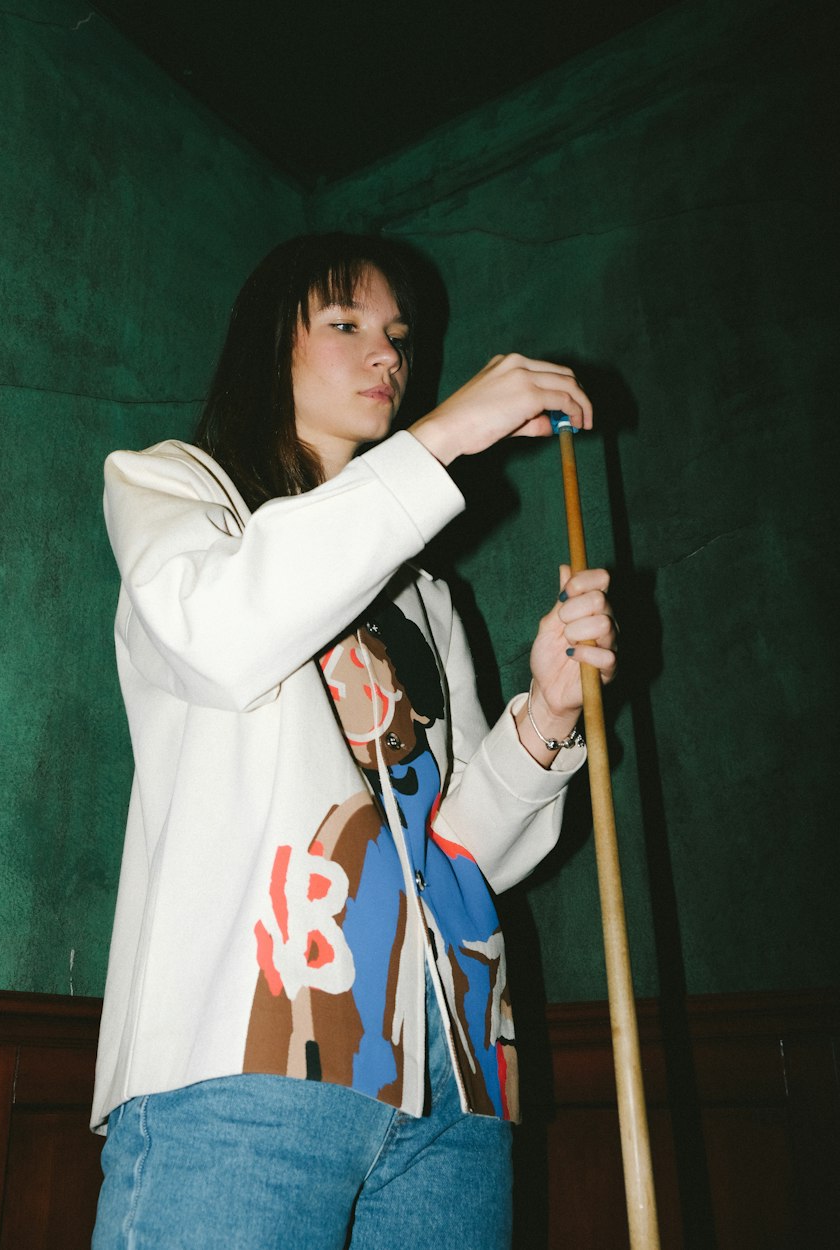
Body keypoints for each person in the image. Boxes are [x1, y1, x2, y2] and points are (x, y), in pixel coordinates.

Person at [91, 233, 617, 1249]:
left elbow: (467, 851)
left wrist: (547, 717)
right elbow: (224, 631)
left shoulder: (423, 591)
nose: (387, 355)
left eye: (398, 336)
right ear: (267, 348)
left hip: (456, 1080)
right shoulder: (176, 490)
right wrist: (447, 436)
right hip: (248, 1061)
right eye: (345, 324)